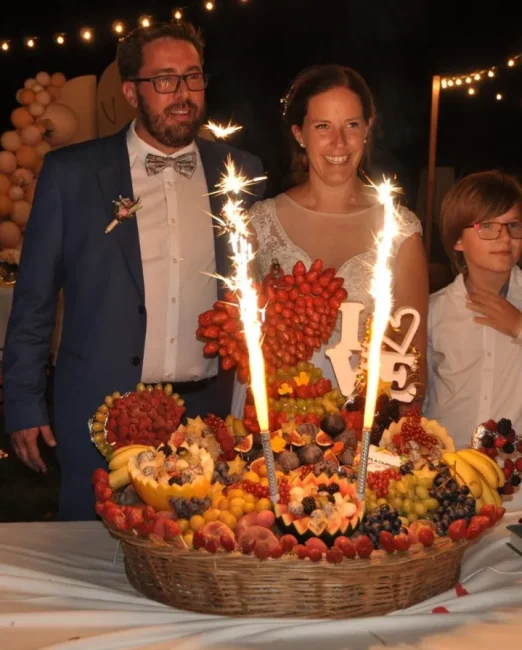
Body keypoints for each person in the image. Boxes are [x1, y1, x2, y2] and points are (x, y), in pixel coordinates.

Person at [3, 21, 265, 521]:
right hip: (99, 411)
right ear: (130, 92)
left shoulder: (241, 174)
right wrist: (23, 402)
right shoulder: (71, 174)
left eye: (192, 77)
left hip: (207, 415)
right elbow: (34, 301)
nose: (182, 93)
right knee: (91, 553)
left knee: (202, 550)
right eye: (164, 80)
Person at [231, 64, 428, 418]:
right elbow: (240, 344)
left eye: (351, 125)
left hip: (368, 432)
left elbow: (411, 365)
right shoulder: (258, 225)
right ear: (299, 133)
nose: (339, 142)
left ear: (367, 129)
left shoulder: (400, 230)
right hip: (279, 425)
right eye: (323, 126)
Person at [426, 170, 522, 448]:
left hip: (514, 468)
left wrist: (518, 325)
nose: (505, 238)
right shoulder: (435, 311)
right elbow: (422, 394)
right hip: (447, 463)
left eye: (514, 225)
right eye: (487, 226)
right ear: (458, 240)